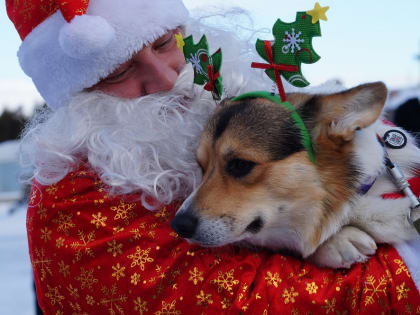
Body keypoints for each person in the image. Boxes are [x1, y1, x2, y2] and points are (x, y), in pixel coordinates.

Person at [6, 0, 420, 313]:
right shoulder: (73, 204)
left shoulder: (241, 108)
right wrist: (407, 266)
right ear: (76, 96)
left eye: (165, 43)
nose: (168, 79)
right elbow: (243, 301)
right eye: (119, 72)